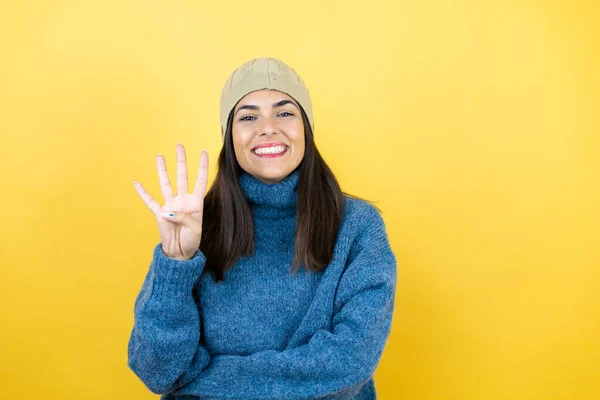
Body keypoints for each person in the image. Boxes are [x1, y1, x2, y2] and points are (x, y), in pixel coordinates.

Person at [127, 57, 397, 399]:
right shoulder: (194, 228)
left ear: (306, 128)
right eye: (248, 116)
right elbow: (157, 371)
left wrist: (203, 381)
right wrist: (176, 263)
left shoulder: (358, 227)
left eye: (284, 112)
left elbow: (349, 361)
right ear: (230, 136)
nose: (268, 127)